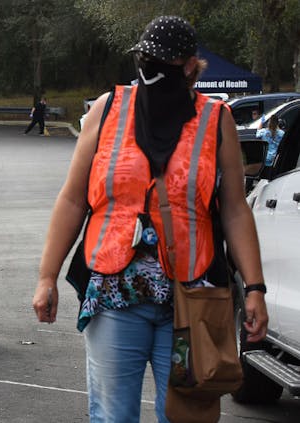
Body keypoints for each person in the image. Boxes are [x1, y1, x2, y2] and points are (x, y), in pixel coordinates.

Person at [31, 16, 268, 423]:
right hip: (114, 294)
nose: (151, 67)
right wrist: (46, 276)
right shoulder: (107, 111)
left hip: (191, 301)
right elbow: (73, 200)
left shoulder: (217, 119)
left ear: (191, 66)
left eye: (164, 60)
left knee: (185, 416)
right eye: (145, 57)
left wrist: (255, 288)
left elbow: (234, 209)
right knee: (113, 416)